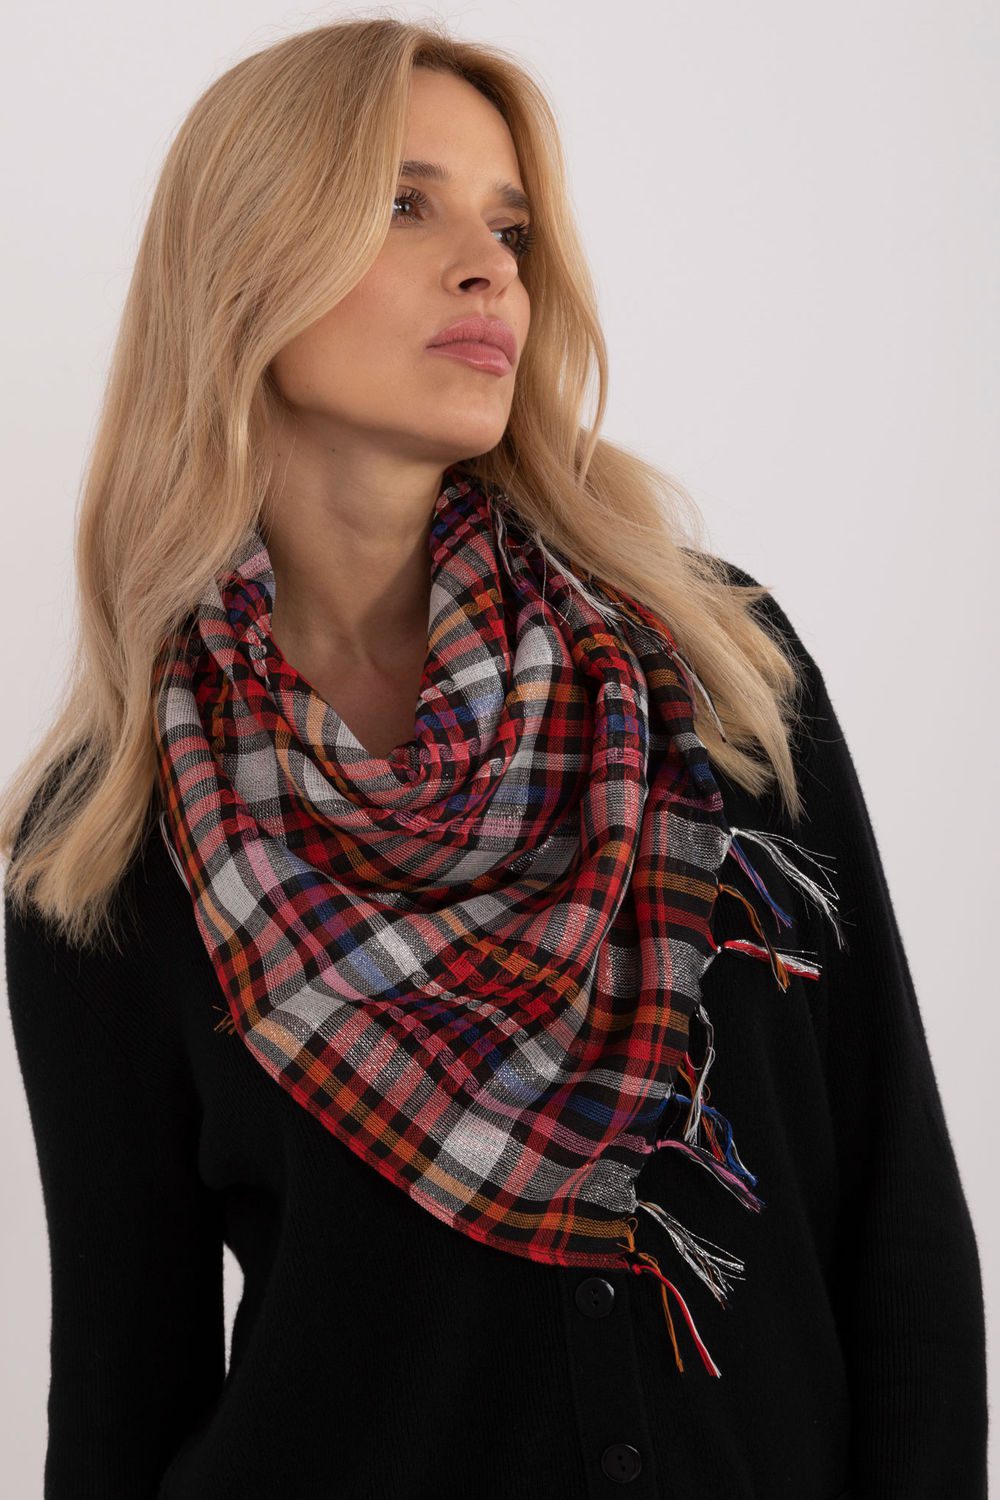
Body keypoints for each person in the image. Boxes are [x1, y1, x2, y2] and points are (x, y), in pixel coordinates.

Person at [1, 18, 987, 1500]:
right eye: (405, 204)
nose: (489, 271)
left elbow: (896, 1211)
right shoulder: (109, 833)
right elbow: (122, 1389)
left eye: (511, 228)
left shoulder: (710, 672)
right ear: (244, 260)